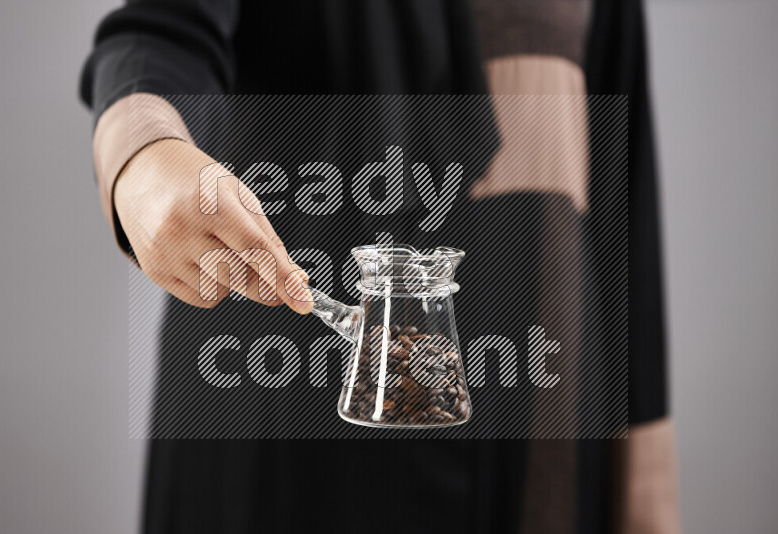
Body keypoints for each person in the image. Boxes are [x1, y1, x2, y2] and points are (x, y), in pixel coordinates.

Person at [81, 1, 680, 532]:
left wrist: (646, 488)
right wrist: (146, 155)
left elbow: (623, 203)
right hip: (285, 420)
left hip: (542, 407)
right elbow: (160, 34)